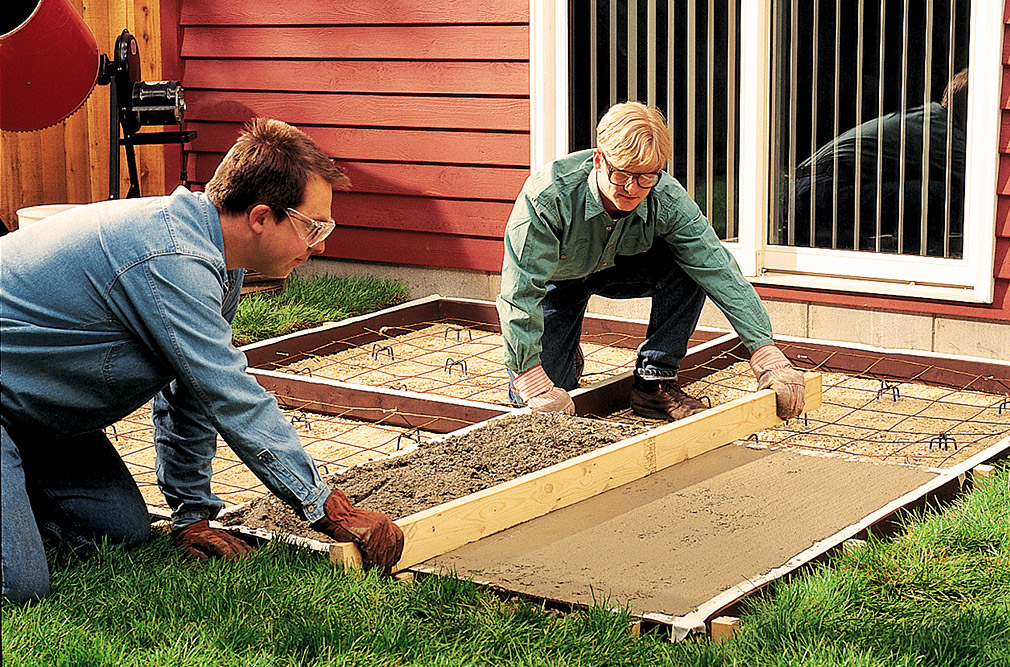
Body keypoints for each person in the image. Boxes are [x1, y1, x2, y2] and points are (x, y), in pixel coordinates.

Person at [1, 118, 403, 604]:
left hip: (32, 415)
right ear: (260, 217)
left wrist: (192, 512)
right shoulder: (171, 258)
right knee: (18, 587)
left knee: (120, 533)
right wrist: (327, 509)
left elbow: (190, 391)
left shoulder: (219, 264)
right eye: (312, 226)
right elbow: (230, 395)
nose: (321, 245)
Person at [497, 101, 805, 422]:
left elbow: (719, 270)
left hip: (617, 269)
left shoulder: (666, 197)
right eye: (623, 175)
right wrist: (529, 375)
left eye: (646, 177)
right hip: (557, 280)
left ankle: (654, 382)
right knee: (540, 402)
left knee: (689, 266)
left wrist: (765, 352)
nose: (633, 189)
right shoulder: (549, 196)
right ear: (599, 160)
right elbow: (520, 293)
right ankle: (563, 344)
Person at [788, 69, 968, 257]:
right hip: (821, 189)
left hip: (812, 187)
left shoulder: (931, 118)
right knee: (944, 193)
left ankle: (916, 254)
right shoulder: (943, 133)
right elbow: (975, 188)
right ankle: (921, 258)